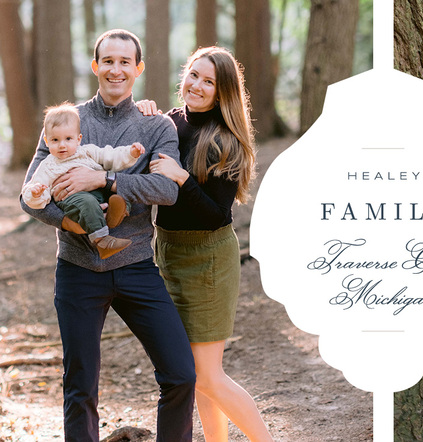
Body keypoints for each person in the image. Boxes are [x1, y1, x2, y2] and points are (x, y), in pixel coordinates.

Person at [20, 29, 196, 441]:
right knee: (80, 386)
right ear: (96, 66)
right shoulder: (66, 122)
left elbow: (167, 190)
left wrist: (106, 178)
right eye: (108, 61)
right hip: (78, 269)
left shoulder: (155, 126)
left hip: (136, 265)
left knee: (181, 374)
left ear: (138, 69)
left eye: (125, 62)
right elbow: (29, 196)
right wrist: (70, 223)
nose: (116, 70)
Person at [137, 46, 273, 441]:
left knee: (208, 375)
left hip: (208, 259)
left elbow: (216, 214)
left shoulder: (226, 140)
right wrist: (140, 114)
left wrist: (182, 178)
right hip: (168, 251)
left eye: (208, 81)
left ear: (222, 91)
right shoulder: (168, 123)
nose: (196, 85)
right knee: (193, 375)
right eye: (193, 74)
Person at [22, 103, 143, 259]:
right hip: (73, 198)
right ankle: (102, 242)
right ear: (46, 141)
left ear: (78, 139)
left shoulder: (88, 151)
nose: (62, 145)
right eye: (55, 140)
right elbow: (33, 189)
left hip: (98, 191)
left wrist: (130, 153)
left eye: (68, 138)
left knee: (119, 191)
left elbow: (110, 156)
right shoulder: (48, 165)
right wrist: (36, 193)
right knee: (87, 203)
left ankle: (117, 213)